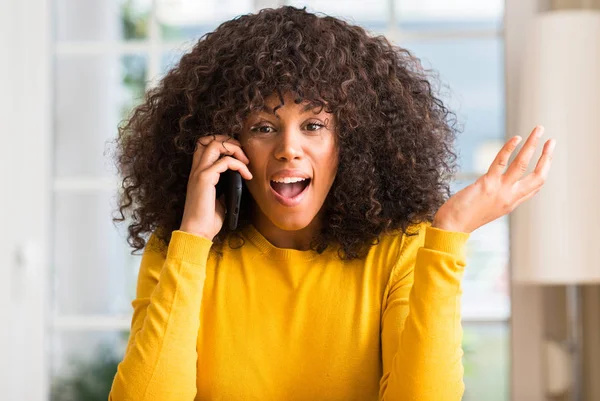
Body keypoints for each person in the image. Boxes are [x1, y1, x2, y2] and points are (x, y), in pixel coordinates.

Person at [108, 6, 555, 401]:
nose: (289, 149)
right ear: (228, 143)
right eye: (263, 127)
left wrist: (450, 235)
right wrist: (192, 240)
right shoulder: (182, 250)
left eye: (314, 125)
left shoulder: (402, 249)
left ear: (352, 142)